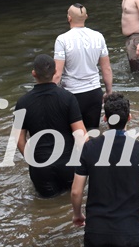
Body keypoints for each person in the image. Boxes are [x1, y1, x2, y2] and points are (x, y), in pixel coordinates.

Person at [71, 92, 139, 247]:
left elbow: (76, 191)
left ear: (105, 118)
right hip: (129, 234)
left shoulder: (88, 148)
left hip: (96, 232)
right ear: (129, 118)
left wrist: (77, 215)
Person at [13, 54, 87, 197]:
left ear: (34, 73)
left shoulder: (22, 102)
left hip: (41, 167)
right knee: (70, 202)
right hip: (68, 163)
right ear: (55, 72)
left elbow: (19, 139)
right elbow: (81, 136)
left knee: (45, 205)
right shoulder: (68, 98)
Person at [53, 4, 114, 130]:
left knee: (72, 134)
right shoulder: (98, 36)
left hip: (72, 94)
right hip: (94, 92)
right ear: (86, 17)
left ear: (69, 18)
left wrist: (49, 97)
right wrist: (109, 91)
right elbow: (106, 69)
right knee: (93, 133)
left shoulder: (62, 40)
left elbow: (57, 74)